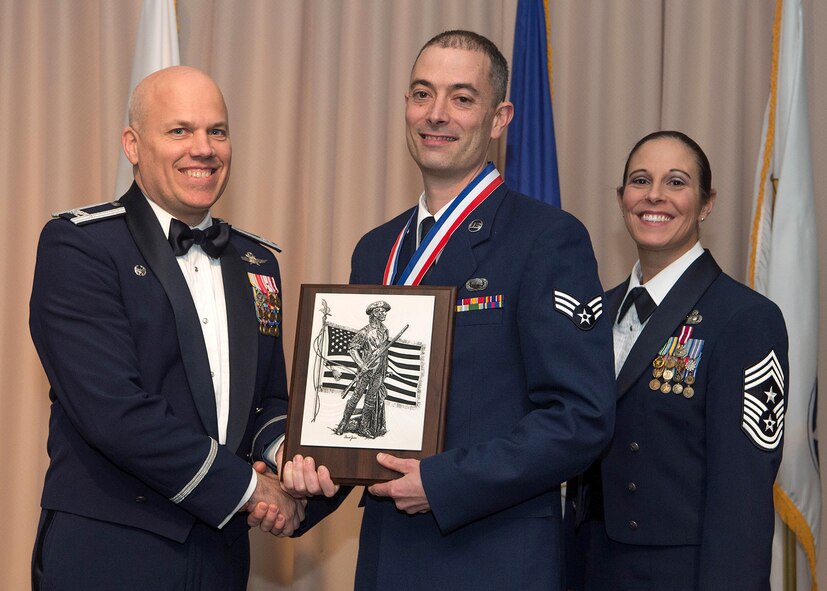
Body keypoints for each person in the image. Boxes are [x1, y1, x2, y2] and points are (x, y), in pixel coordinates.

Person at [277, 30, 615, 590]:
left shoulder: (547, 239)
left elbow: (580, 418)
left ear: (499, 117)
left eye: (461, 98)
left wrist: (445, 482)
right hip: (388, 556)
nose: (436, 114)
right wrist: (303, 486)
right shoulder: (376, 247)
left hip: (493, 556)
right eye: (421, 94)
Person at [29, 66, 302, 590]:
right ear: (133, 145)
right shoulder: (80, 247)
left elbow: (267, 400)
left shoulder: (257, 262)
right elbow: (113, 411)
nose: (203, 148)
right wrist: (253, 490)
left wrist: (285, 454)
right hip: (111, 552)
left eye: (216, 131)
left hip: (221, 555)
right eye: (179, 131)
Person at [565, 131, 789, 590]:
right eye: (641, 180)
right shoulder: (593, 314)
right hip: (588, 568)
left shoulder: (745, 319)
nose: (655, 196)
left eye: (676, 182)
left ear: (706, 203)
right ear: (622, 197)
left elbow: (742, 499)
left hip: (680, 577)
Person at [335, 301, 391, 438]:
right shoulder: (364, 332)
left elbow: (384, 352)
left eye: (384, 311)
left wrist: (385, 368)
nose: (384, 314)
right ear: (374, 313)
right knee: (355, 397)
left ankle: (364, 427)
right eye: (381, 311)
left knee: (370, 399)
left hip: (379, 371)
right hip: (366, 371)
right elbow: (353, 349)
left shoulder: (385, 330)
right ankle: (343, 423)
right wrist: (361, 364)